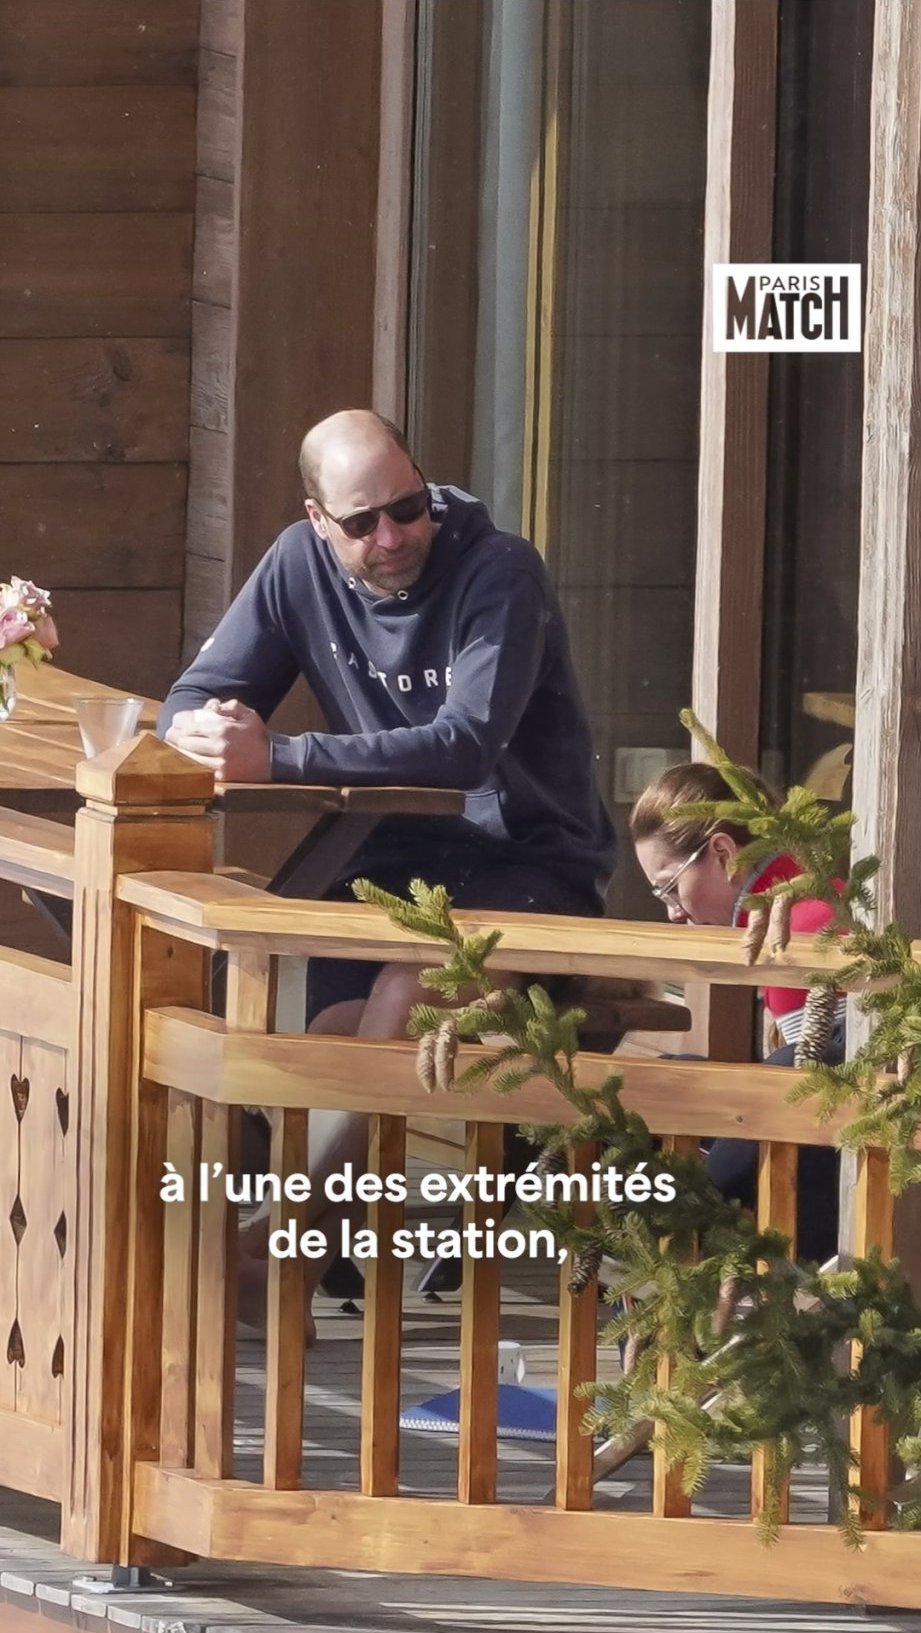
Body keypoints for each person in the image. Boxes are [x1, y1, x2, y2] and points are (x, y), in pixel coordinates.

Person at [159, 407, 616, 1331]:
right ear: (317, 519)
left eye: (408, 507)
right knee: (338, 1031)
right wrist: (200, 730)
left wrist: (280, 758)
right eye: (362, 521)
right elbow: (195, 694)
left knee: (403, 1004)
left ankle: (279, 1258)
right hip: (387, 862)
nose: (393, 535)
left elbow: (466, 744)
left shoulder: (499, 571)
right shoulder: (296, 564)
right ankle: (275, 1258)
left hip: (529, 858)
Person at [629, 761, 842, 1263]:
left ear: (723, 853)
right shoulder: (804, 902)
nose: (672, 913)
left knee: (782, 1075)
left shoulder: (798, 928)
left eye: (669, 887)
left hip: (843, 1171)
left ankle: (665, 1251)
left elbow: (813, 1082)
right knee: (668, 1079)